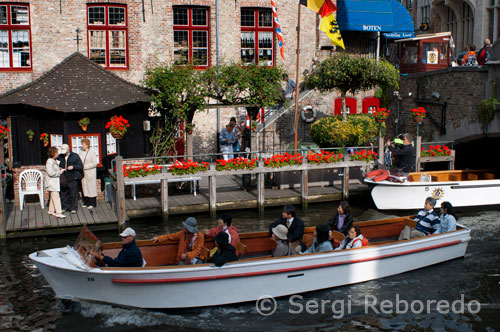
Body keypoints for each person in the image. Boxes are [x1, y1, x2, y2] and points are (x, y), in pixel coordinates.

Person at [58, 144, 83, 214]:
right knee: (63, 193)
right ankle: (65, 207)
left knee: (73, 193)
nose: (63, 153)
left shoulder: (75, 156)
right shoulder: (60, 156)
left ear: (68, 150)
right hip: (63, 177)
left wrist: (73, 167)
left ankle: (73, 208)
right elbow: (56, 164)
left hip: (72, 177)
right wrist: (59, 168)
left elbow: (80, 166)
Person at [45, 147, 66, 219]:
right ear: (53, 153)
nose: (57, 153)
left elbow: (54, 168)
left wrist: (59, 168)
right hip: (51, 183)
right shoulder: (49, 161)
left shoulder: (53, 161)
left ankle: (51, 210)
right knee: (56, 196)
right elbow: (50, 173)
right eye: (56, 152)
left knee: (53, 196)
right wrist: (59, 172)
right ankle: (58, 212)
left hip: (54, 182)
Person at [79, 138, 98, 209]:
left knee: (91, 188)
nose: (82, 146)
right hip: (83, 173)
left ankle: (92, 203)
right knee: (85, 187)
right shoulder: (80, 152)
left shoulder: (91, 152)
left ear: (87, 145)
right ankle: (86, 203)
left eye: (83, 144)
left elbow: (94, 163)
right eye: (82, 144)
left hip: (90, 173)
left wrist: (85, 166)